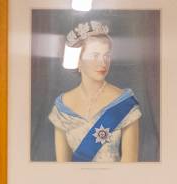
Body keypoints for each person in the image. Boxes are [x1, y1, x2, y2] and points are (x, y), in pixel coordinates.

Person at [50, 20, 141, 162]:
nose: (103, 62)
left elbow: (130, 165)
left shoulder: (125, 102)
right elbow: (62, 168)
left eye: (107, 55)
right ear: (78, 61)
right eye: (95, 55)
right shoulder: (62, 106)